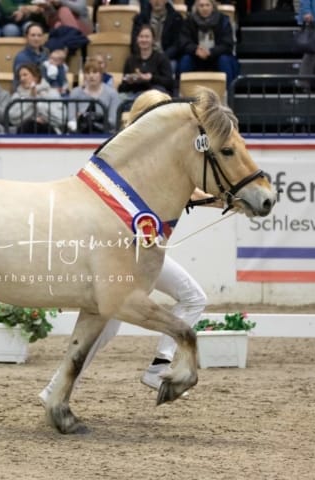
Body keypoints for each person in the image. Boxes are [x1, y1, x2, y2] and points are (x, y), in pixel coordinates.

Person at [39, 89, 224, 404]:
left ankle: (61, 387)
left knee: (112, 325)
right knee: (185, 300)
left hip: (139, 257)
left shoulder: (135, 154)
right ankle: (156, 367)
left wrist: (218, 196)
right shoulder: (132, 158)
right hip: (123, 260)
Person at [178, 0, 238, 87]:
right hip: (196, 56)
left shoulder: (223, 20)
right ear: (196, 7)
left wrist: (211, 52)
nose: (204, 8)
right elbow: (183, 42)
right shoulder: (189, 21)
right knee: (185, 60)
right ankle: (183, 91)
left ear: (212, 7)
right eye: (201, 6)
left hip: (216, 56)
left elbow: (227, 44)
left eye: (207, 5)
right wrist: (195, 50)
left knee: (224, 60)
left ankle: (228, 92)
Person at [118, 24, 174, 98]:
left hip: (153, 95)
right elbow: (122, 87)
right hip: (134, 94)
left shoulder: (162, 58)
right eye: (141, 37)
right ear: (137, 39)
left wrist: (151, 78)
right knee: (120, 97)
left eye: (147, 37)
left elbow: (169, 83)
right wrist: (129, 82)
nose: (144, 40)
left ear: (153, 40)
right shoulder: (130, 60)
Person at [7, 62, 65, 133]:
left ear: (36, 77)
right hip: (25, 131)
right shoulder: (17, 96)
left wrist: (37, 102)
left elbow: (60, 119)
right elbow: (13, 119)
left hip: (49, 131)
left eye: (25, 75)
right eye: (20, 76)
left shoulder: (51, 93)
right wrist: (31, 99)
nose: (22, 79)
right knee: (30, 125)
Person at [67, 56, 120, 134]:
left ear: (101, 75)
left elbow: (113, 121)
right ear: (84, 75)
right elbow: (71, 119)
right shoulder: (75, 93)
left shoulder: (112, 94)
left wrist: (98, 120)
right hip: (80, 133)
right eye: (88, 73)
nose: (91, 76)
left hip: (104, 133)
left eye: (95, 72)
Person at [13, 22, 66, 90]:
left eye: (39, 35)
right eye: (33, 35)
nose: (36, 38)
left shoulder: (47, 53)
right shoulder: (21, 57)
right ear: (26, 37)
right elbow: (23, 82)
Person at [131, 0, 183, 69]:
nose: (157, 1)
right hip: (144, 56)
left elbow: (177, 44)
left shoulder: (176, 18)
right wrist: (147, 56)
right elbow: (135, 42)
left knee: (171, 66)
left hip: (167, 57)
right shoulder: (140, 18)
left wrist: (163, 57)